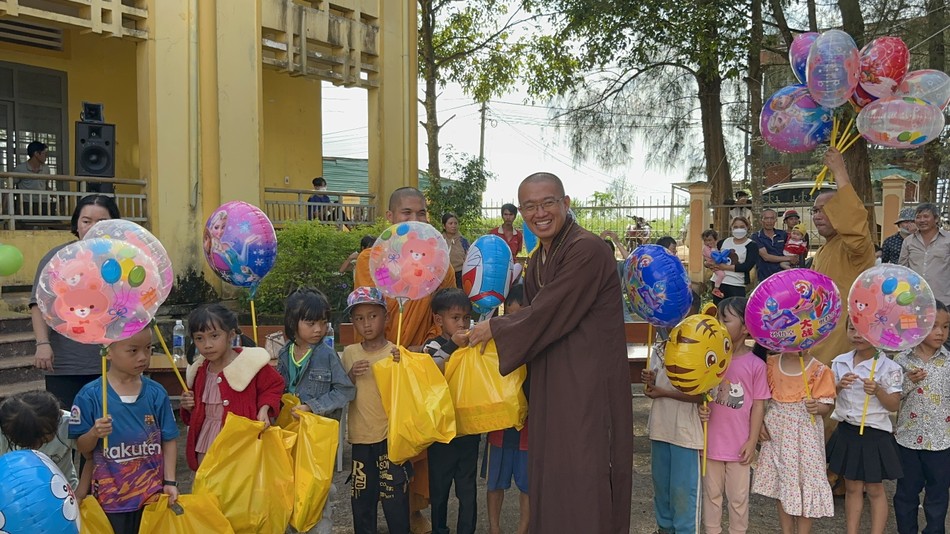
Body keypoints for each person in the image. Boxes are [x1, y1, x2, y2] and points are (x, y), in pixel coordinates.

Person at [467, 172, 633, 534]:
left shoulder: (586, 248)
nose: (538, 213)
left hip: (586, 382)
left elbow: (548, 311)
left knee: (583, 470)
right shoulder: (540, 256)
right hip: (552, 380)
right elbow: (534, 314)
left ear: (565, 204)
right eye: (529, 206)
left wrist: (493, 328)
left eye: (547, 203)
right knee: (551, 470)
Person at [352, 187, 455, 532]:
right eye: (406, 213)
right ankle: (375, 510)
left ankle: (412, 508)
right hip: (382, 363)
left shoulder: (439, 261)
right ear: (390, 218)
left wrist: (420, 353)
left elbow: (441, 317)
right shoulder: (371, 259)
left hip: (416, 362)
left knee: (416, 440)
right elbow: (369, 313)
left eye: (421, 214)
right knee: (378, 443)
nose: (415, 221)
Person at [68, 328, 179, 534]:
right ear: (107, 351)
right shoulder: (90, 396)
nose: (143, 357)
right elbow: (82, 448)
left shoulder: (156, 393)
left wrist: (170, 481)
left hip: (151, 495)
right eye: (133, 350)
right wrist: (94, 433)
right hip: (110, 498)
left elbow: (169, 439)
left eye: (148, 349)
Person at [276, 288, 355, 534]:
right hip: (288, 436)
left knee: (319, 491)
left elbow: (346, 390)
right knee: (287, 490)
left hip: (317, 440)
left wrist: (313, 407)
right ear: (293, 322)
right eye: (310, 323)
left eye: (323, 322)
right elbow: (277, 388)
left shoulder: (326, 355)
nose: (318, 329)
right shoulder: (283, 353)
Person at [31, 194, 121, 408]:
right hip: (67, 363)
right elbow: (38, 304)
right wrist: (42, 344)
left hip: (113, 361)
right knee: (67, 425)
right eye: (86, 221)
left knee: (109, 428)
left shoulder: (123, 259)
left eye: (102, 222)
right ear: (77, 224)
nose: (93, 227)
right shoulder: (59, 258)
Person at [179, 303, 284, 470]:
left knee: (240, 487)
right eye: (199, 338)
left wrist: (264, 408)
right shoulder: (198, 370)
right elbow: (195, 412)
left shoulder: (250, 364)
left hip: (241, 440)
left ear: (231, 335)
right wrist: (187, 405)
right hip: (208, 438)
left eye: (214, 336)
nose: (207, 344)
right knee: (208, 485)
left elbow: (274, 386)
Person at [341, 287, 410, 534]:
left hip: (390, 439)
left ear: (386, 317)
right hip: (360, 439)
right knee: (362, 501)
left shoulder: (396, 352)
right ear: (353, 322)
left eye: (372, 316)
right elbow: (341, 391)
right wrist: (350, 376)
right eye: (359, 318)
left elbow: (408, 392)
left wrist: (402, 365)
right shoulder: (349, 353)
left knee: (395, 501)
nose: (366, 323)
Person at [699, 297, 770, 534]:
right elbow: (702, 392)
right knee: (711, 496)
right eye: (717, 318)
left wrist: (752, 441)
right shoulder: (710, 359)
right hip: (710, 444)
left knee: (739, 500)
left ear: (746, 328)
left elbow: (759, 405)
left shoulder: (756, 365)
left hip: (740, 446)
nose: (719, 324)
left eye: (725, 319)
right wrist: (701, 408)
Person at [826, 319, 903, 534]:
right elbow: (828, 397)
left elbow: (894, 404)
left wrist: (878, 391)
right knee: (852, 487)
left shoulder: (889, 367)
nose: (857, 335)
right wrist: (838, 387)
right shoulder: (840, 362)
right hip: (848, 430)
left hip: (875, 433)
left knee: (875, 488)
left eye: (864, 330)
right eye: (852, 329)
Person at [414, 288, 478, 534]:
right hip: (442, 433)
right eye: (455, 318)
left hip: (468, 430)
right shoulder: (433, 346)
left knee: (467, 490)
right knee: (439, 490)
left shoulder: (472, 345)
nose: (462, 323)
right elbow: (433, 369)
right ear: (439, 320)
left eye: (466, 318)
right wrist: (453, 345)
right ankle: (439, 528)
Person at [640, 291, 704, 534]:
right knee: (663, 494)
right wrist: (652, 381)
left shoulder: (703, 349)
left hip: (687, 435)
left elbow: (703, 396)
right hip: (660, 428)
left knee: (684, 498)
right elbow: (653, 389)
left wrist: (663, 392)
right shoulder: (662, 345)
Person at [752, 349, 836, 533]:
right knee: (784, 483)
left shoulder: (819, 369)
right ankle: (786, 530)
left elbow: (826, 405)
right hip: (777, 433)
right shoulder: (771, 364)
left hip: (806, 436)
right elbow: (759, 399)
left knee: (807, 483)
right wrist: (759, 425)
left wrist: (817, 407)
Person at [810, 148, 875, 367]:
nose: (817, 216)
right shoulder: (824, 248)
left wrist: (839, 170)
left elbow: (854, 220)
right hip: (820, 330)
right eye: (815, 211)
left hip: (844, 334)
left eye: (825, 210)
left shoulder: (856, 246)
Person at [892, 300, 950, 534]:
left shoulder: (948, 363)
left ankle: (934, 531)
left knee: (938, 495)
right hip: (908, 440)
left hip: (941, 442)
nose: (940, 332)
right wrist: (908, 381)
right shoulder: (902, 360)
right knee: (906, 494)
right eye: (934, 325)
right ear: (918, 326)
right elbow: (893, 397)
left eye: (945, 327)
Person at [484, 284, 530, 534]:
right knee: (494, 482)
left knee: (528, 484)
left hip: (529, 424)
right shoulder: (494, 338)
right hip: (499, 422)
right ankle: (494, 528)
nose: (521, 310)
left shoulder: (537, 338)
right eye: (516, 306)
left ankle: (523, 529)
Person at [0, 390, 78, 489]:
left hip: (63, 493)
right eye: (22, 443)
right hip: (14, 496)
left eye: (43, 440)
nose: (36, 447)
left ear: (57, 421)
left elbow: (91, 456)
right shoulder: (5, 427)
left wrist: (80, 492)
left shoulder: (68, 424)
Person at [899, 202, 950, 305]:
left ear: (936, 219)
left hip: (943, 299)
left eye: (926, 216)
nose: (922, 220)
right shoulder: (908, 241)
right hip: (915, 299)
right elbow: (902, 269)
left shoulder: (948, 240)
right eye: (918, 217)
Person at [704, 216, 759, 304]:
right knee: (719, 310)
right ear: (731, 227)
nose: (739, 229)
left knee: (735, 312)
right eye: (736, 227)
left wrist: (724, 267)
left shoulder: (752, 245)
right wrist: (708, 264)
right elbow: (711, 257)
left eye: (742, 227)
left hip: (736, 284)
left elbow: (747, 266)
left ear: (747, 227)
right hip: (718, 284)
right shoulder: (723, 242)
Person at [752, 208, 796, 281]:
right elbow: (766, 257)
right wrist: (788, 258)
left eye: (772, 218)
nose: (769, 221)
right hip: (765, 278)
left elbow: (791, 250)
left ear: (775, 220)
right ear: (761, 220)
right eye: (766, 218)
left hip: (783, 276)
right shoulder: (756, 237)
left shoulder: (783, 235)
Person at [13, 140, 53, 215]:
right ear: (36, 154)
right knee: (26, 225)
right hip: (26, 204)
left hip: (43, 203)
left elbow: (46, 186)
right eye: (44, 153)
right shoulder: (20, 169)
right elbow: (10, 186)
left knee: (44, 225)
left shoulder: (46, 169)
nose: (46, 156)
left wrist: (57, 195)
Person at [442, 213, 470, 289]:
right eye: (450, 223)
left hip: (461, 275)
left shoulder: (463, 241)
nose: (453, 226)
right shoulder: (439, 240)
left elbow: (469, 258)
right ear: (444, 226)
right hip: (444, 276)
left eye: (455, 223)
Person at [702, 229, 728, 298]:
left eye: (710, 240)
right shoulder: (706, 248)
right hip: (713, 265)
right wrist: (713, 248)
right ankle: (716, 288)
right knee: (721, 274)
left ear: (715, 240)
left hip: (716, 264)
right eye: (705, 240)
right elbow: (712, 255)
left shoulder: (715, 247)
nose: (707, 242)